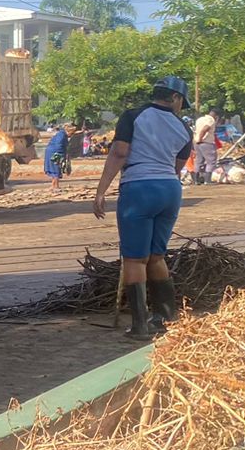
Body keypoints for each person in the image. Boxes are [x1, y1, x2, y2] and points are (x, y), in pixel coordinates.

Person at [93, 77, 193, 339]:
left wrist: (101, 190)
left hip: (139, 188)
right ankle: (165, 318)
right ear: (175, 98)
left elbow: (119, 153)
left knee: (135, 258)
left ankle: (140, 325)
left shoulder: (133, 116)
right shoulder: (184, 128)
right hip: (170, 189)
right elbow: (177, 167)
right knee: (156, 256)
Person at [192, 108, 219, 185]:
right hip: (206, 142)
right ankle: (207, 180)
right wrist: (200, 138)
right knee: (211, 161)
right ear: (216, 116)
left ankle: (196, 180)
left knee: (198, 160)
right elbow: (205, 129)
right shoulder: (211, 120)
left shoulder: (200, 119)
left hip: (196, 142)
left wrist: (198, 140)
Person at [43, 124, 72, 191]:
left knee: (55, 168)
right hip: (55, 153)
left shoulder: (61, 134)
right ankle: (56, 186)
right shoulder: (61, 135)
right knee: (56, 168)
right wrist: (62, 155)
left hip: (51, 152)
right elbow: (59, 145)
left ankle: (53, 185)